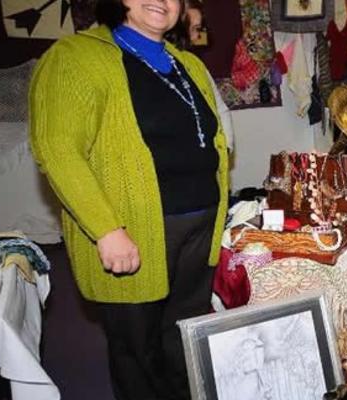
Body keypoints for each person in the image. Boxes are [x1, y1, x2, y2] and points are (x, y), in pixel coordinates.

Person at [28, 0, 229, 398]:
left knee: (184, 338)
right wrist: (106, 229)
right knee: (138, 350)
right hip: (133, 231)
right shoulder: (75, 57)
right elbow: (57, 149)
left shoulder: (187, 63)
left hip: (199, 226)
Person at [181, 0, 235, 154]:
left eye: (197, 29)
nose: (195, 36)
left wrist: (226, 148)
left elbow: (220, 110)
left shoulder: (196, 65)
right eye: (192, 29)